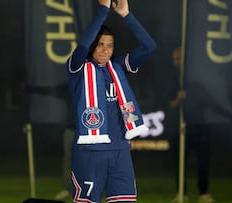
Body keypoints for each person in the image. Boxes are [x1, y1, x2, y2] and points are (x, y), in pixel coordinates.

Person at [66, 0, 156, 202]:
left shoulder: (118, 67)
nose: (106, 50)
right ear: (92, 46)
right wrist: (103, 11)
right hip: (89, 153)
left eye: (110, 45)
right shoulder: (78, 68)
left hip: (120, 152)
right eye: (100, 45)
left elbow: (149, 46)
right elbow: (82, 45)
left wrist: (126, 15)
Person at [169, 47, 215, 203]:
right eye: (175, 59)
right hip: (180, 127)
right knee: (180, 163)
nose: (177, 62)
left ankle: (204, 193)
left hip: (199, 125)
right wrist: (179, 98)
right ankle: (181, 193)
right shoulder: (171, 79)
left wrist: (191, 95)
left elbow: (208, 99)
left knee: (203, 161)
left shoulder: (197, 78)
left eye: (180, 58)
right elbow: (169, 104)